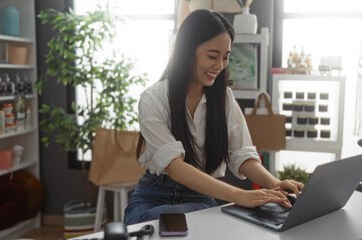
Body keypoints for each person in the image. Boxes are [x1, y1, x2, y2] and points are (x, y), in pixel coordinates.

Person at [123, 9, 304, 225]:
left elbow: (242, 154)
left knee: (181, 224)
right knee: (151, 223)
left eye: (225, 57)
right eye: (212, 56)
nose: (219, 65)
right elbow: (175, 168)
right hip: (153, 194)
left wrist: (274, 183)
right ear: (187, 51)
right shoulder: (153, 99)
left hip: (198, 195)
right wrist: (239, 195)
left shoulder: (224, 98)